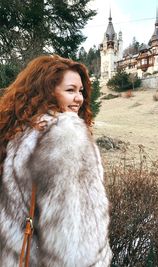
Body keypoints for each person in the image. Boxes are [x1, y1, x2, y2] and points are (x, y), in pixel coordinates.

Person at [0, 55, 112, 266]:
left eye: (81, 91)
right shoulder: (66, 136)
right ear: (47, 91)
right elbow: (74, 240)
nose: (79, 98)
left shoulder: (19, 131)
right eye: (70, 90)